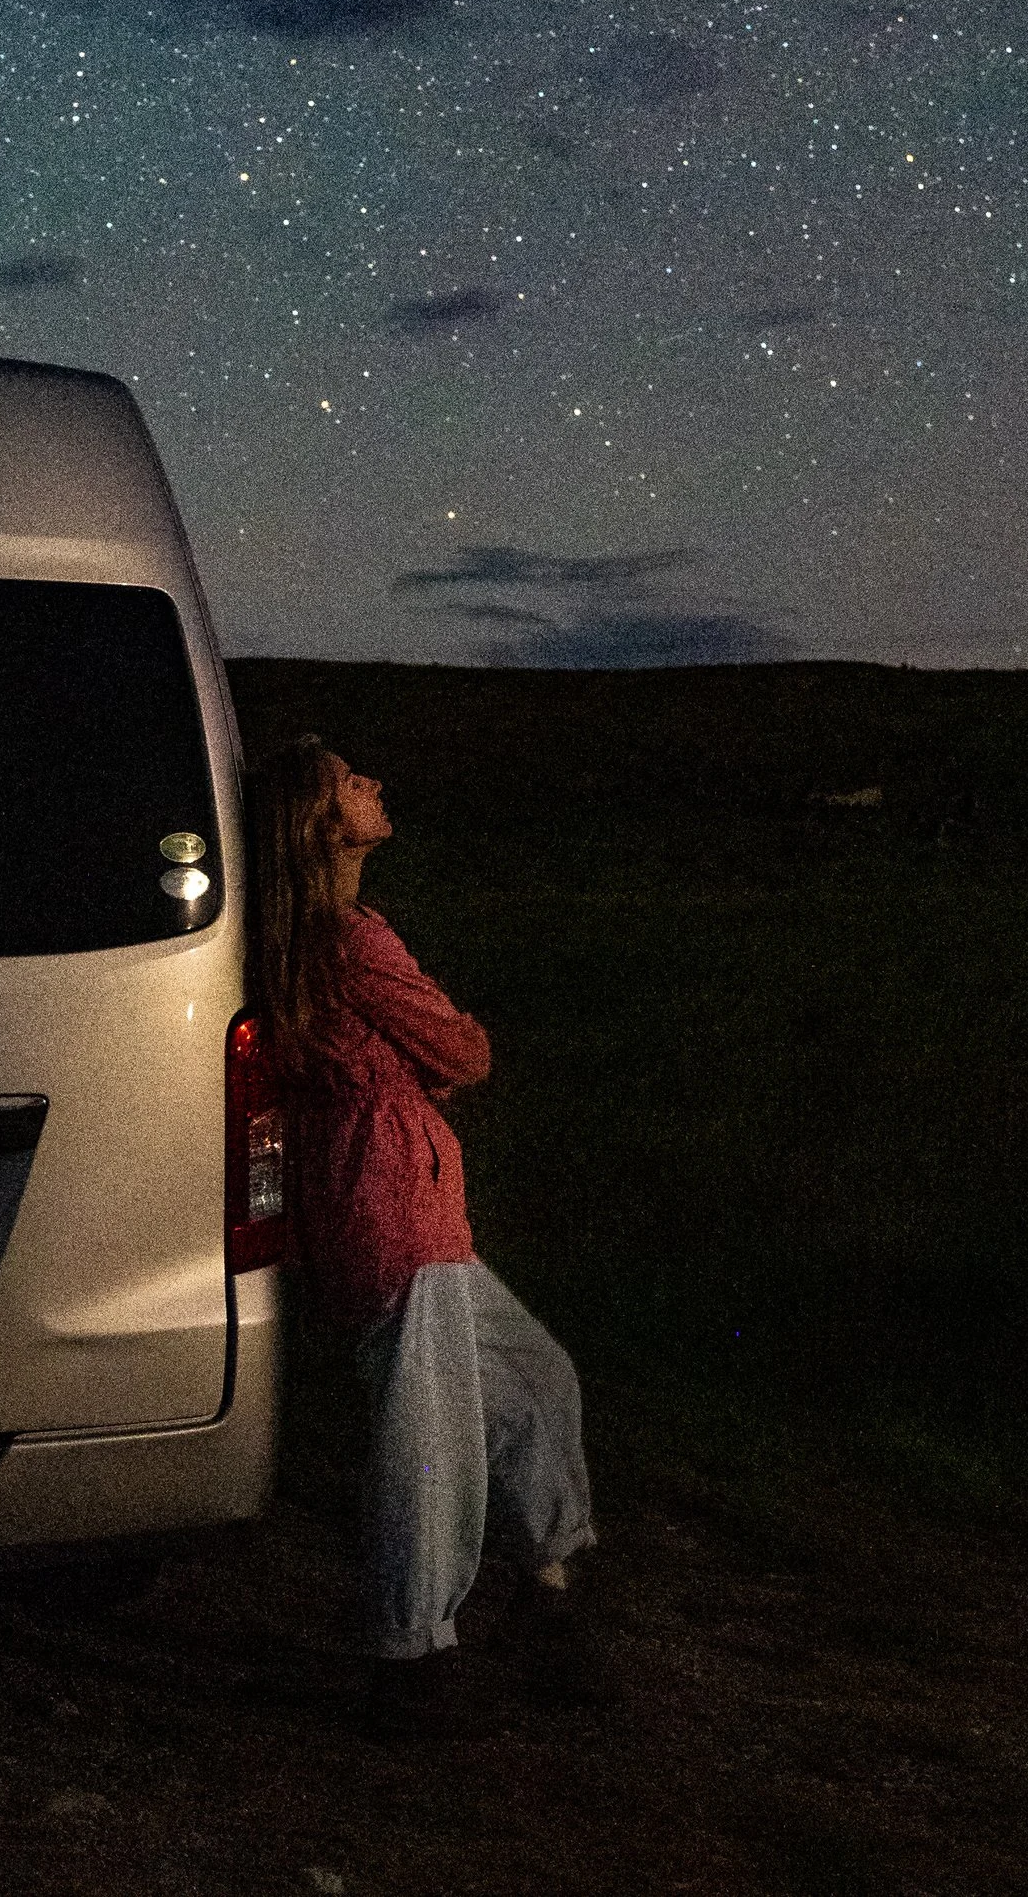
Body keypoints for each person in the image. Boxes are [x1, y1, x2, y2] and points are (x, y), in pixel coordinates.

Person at [245, 733, 603, 1736]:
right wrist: (441, 1055)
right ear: (324, 824)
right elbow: (461, 1048)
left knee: (533, 1379)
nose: (374, 783)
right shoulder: (352, 941)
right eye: (352, 781)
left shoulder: (308, 940)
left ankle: (542, 1586)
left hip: (389, 1205)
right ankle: (412, 1655)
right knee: (429, 1443)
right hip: (394, 1206)